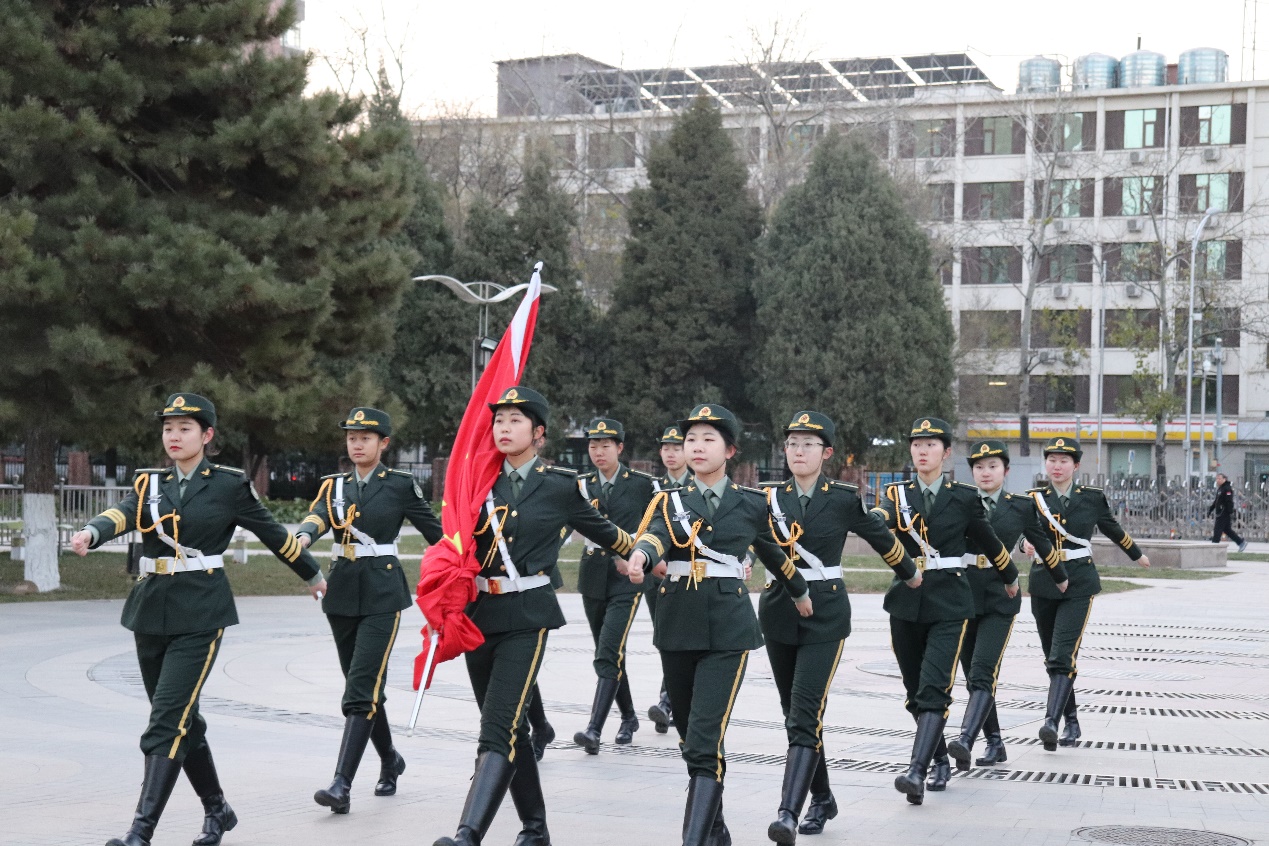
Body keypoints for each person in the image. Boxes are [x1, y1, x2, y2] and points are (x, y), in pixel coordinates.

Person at [70, 393, 326, 846]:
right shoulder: (150, 483)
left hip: (202, 612)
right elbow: (123, 514)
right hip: (151, 610)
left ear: (207, 436)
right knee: (182, 718)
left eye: (184, 428)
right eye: (168, 428)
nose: (174, 436)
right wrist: (93, 531)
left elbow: (272, 532)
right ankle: (217, 809)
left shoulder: (228, 485)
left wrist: (312, 574)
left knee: (166, 722)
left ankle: (140, 832)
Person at [433, 386, 634, 846]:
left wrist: (643, 555)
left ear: (538, 433)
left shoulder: (559, 485)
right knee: (511, 727)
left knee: (496, 728)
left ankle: (467, 834)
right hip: (478, 614)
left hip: (527, 615)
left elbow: (605, 531)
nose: (503, 428)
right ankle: (536, 829)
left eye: (515, 421)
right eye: (499, 420)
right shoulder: (478, 480)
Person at [625, 404, 813, 846]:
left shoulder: (752, 503)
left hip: (729, 630)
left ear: (729, 450)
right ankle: (715, 828)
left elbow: (773, 553)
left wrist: (800, 591)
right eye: (691, 439)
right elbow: (653, 536)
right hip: (677, 626)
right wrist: (641, 557)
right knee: (692, 739)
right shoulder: (669, 501)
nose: (697, 447)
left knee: (705, 739)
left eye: (708, 439)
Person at [761, 412, 919, 843]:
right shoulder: (768, 499)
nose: (798, 451)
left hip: (826, 614)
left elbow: (880, 536)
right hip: (778, 611)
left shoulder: (843, 498)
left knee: (804, 712)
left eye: (808, 444)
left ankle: (788, 813)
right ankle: (823, 797)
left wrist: (909, 571)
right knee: (795, 714)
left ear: (827, 452)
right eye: (792, 443)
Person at [296, 407, 444, 813]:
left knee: (360, 687)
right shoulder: (334, 486)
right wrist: (305, 537)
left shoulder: (399, 485)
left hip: (383, 593)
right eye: (352, 437)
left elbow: (436, 534)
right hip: (342, 591)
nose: (357, 444)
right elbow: (318, 517)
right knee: (363, 686)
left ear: (384, 443)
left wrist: (458, 568)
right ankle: (390, 759)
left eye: (365, 437)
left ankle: (341, 784)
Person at [870, 417, 1014, 806]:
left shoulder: (963, 496)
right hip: (906, 602)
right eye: (917, 444)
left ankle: (917, 771)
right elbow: (884, 518)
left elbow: (988, 540)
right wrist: (875, 518)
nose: (922, 451)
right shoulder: (896, 494)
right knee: (914, 690)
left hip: (950, 600)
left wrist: (1010, 576)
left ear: (946, 453)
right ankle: (938, 760)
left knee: (935, 687)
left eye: (931, 445)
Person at [944, 441, 1067, 773]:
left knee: (983, 671)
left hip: (1001, 596)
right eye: (979, 467)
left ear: (1006, 471)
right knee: (972, 677)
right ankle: (995, 742)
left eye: (993, 466)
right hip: (963, 594)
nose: (986, 473)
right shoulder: (960, 502)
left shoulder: (1020, 506)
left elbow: (1041, 542)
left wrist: (1061, 577)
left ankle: (966, 740)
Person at [1028, 437, 1149, 751]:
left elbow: (1112, 528)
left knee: (1062, 655)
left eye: (1064, 461)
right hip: (1043, 582)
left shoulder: (1091, 498)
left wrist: (1136, 554)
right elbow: (1020, 533)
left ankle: (1051, 721)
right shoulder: (1034, 499)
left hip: (1079, 581)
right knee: (1053, 657)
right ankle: (1071, 720)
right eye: (1052, 460)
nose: (1057, 466)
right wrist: (1024, 543)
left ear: (1076, 465)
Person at [573, 418, 657, 753]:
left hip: (627, 578)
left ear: (619, 448)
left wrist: (635, 553)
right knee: (608, 653)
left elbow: (656, 524)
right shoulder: (581, 485)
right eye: (593, 445)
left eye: (605, 445)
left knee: (608, 650)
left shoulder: (642, 485)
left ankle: (594, 729)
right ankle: (629, 717)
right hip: (592, 575)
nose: (599, 452)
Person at [645, 424, 692, 735]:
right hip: (658, 576)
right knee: (666, 638)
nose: (671, 453)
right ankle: (670, 700)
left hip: (689, 576)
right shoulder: (652, 489)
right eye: (666, 448)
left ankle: (668, 701)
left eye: (677, 447)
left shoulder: (697, 485)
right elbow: (646, 527)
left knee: (684, 639)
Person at [1208, 473, 1248, 552]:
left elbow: (1229, 501)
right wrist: (1211, 509)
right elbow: (1216, 501)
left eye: (1219, 479)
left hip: (1224, 512)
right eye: (1217, 479)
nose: (1217, 480)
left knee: (1217, 530)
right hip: (1220, 512)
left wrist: (1230, 512)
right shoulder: (1220, 488)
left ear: (1224, 479)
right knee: (1227, 530)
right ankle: (1240, 542)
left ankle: (1214, 547)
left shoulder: (1227, 488)